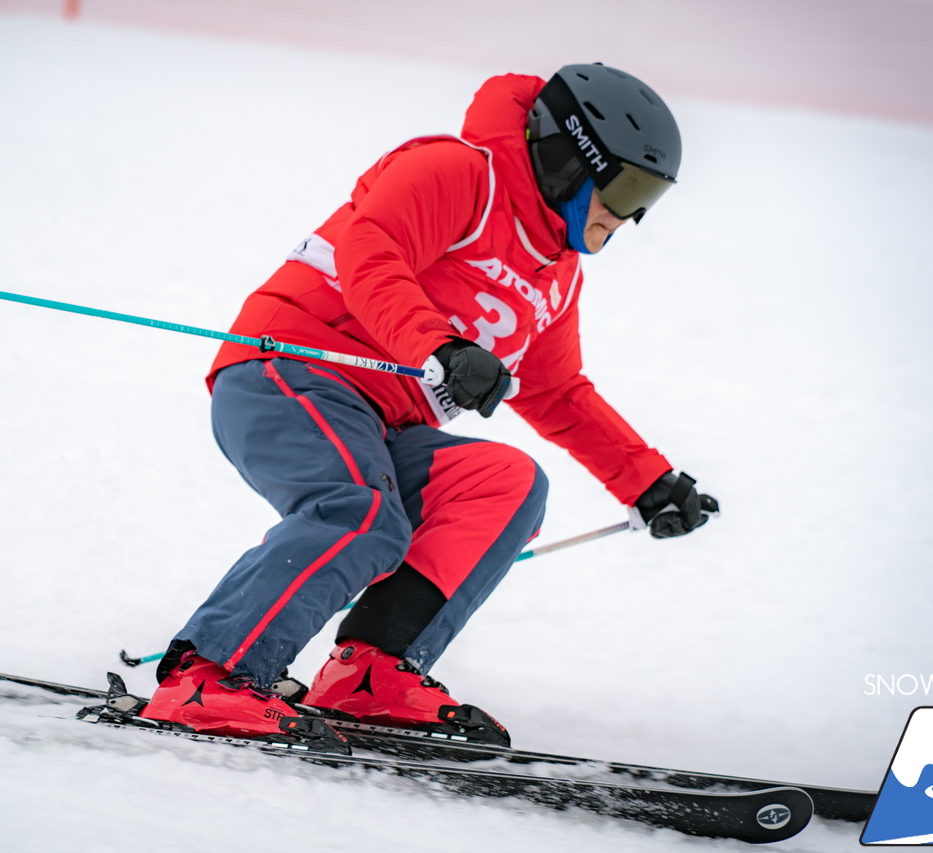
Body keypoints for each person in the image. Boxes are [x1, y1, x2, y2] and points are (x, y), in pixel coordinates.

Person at [140, 63, 719, 752]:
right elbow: (371, 250)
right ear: (568, 158)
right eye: (623, 187)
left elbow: (557, 390)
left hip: (381, 423)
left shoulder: (555, 274)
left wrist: (645, 480)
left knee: (507, 483)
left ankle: (371, 674)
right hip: (288, 370)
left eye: (646, 198)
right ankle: (210, 676)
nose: (626, 215)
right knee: (361, 512)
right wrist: (439, 345)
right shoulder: (459, 172)